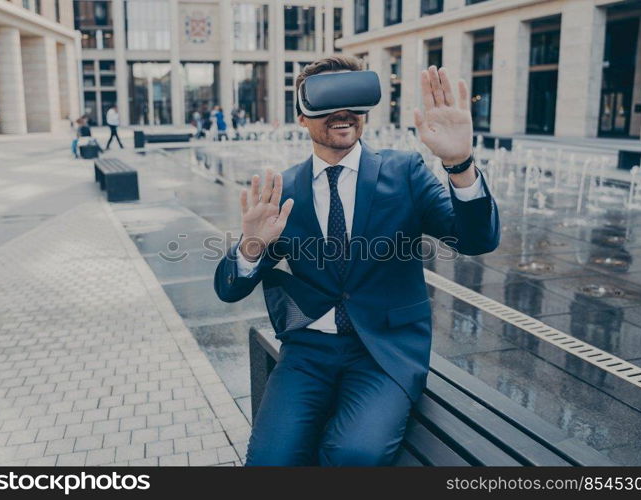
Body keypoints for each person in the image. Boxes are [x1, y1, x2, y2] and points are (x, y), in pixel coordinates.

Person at [213, 55, 500, 466]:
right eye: (327, 100)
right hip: (308, 351)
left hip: (384, 352)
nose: (342, 112)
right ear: (301, 117)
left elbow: (477, 239)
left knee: (353, 456)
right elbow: (228, 289)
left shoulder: (405, 172)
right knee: (268, 461)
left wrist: (459, 165)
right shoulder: (284, 188)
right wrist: (252, 247)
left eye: (352, 97)